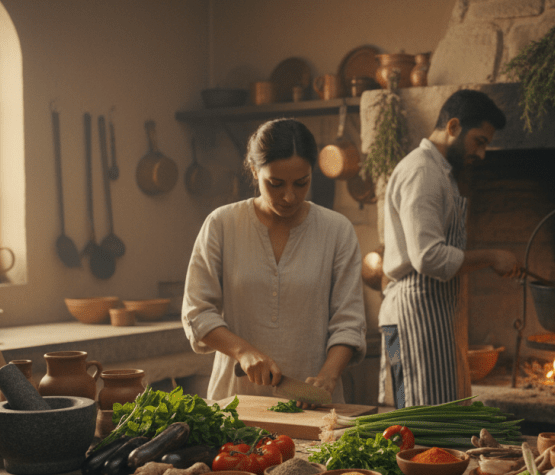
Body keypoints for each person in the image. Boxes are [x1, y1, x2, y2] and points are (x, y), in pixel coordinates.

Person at [182, 118, 366, 403]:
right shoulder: (222, 224)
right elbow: (196, 312)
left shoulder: (336, 230)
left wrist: (329, 375)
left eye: (301, 183)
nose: (290, 196)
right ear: (254, 171)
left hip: (314, 404)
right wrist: (243, 351)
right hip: (237, 402)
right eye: (276, 184)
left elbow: (349, 322)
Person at [379, 89, 520, 408]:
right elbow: (428, 257)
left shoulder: (440, 172)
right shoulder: (423, 172)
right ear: (453, 126)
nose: (482, 154)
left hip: (431, 313)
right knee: (418, 425)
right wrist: (491, 256)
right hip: (414, 316)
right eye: (479, 141)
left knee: (440, 422)